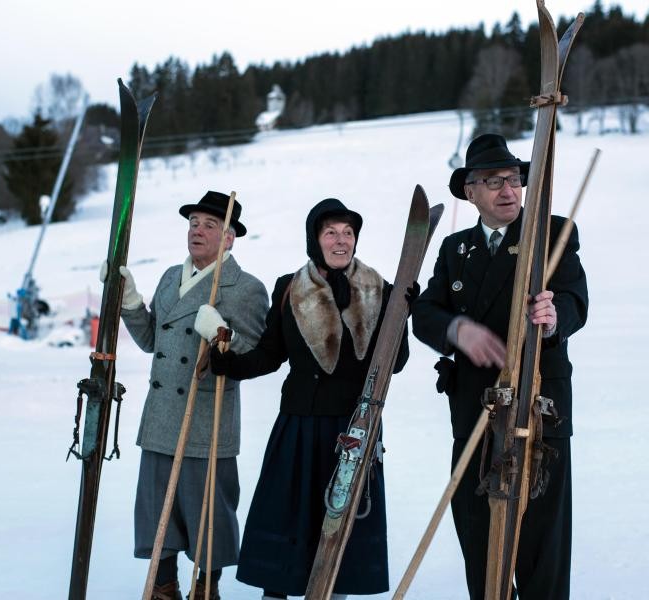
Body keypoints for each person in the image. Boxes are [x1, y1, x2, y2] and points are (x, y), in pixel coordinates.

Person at [198, 198, 410, 599]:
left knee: (342, 519)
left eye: (348, 232)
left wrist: (401, 314)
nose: (340, 239)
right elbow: (269, 355)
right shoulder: (290, 288)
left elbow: (394, 364)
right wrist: (225, 360)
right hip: (300, 423)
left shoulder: (379, 289)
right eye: (330, 231)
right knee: (288, 516)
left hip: (355, 429)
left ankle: (332, 592)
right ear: (315, 239)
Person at [410, 133, 588, 600]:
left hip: (538, 410)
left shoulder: (550, 233)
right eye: (493, 181)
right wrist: (458, 331)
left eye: (513, 179)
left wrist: (554, 318)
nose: (508, 190)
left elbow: (574, 299)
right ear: (470, 192)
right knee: (478, 532)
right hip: (475, 412)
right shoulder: (455, 249)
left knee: (539, 539)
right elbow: (425, 314)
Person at [118, 190, 269, 600]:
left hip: (207, 421)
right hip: (162, 416)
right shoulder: (170, 276)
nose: (197, 231)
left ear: (230, 237)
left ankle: (206, 589)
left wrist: (224, 335)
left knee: (208, 514)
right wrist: (129, 302)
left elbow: (255, 355)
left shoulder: (246, 288)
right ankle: (163, 587)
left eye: (210, 225)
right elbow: (151, 339)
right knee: (156, 513)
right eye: (193, 223)